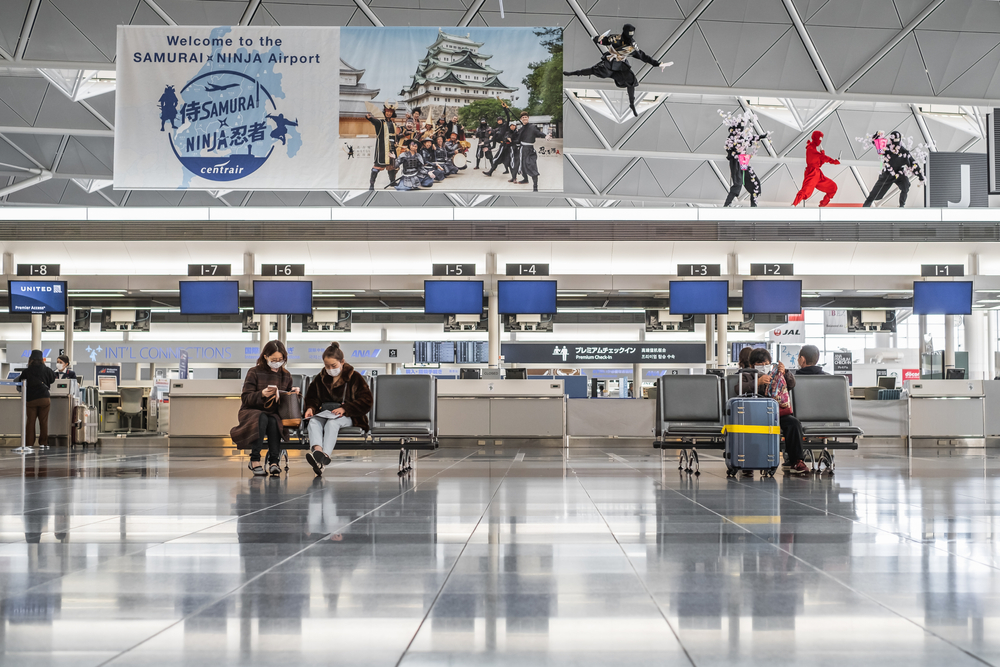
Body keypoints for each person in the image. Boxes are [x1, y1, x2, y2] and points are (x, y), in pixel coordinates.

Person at [563, 24, 672, 117]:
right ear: (624, 32)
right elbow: (604, 41)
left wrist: (658, 64)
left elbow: (644, 56)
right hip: (610, 63)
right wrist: (596, 39)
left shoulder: (632, 46)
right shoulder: (614, 38)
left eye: (631, 35)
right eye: (628, 34)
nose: (629, 38)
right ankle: (573, 73)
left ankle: (632, 103)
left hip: (621, 67)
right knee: (594, 70)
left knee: (631, 81)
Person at [230, 341, 299, 476]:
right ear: (265, 357)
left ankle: (274, 461)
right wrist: (261, 394)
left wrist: (291, 394)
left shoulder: (286, 375)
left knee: (274, 421)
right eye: (274, 360)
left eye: (281, 360)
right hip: (251, 411)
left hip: (273, 412)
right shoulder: (254, 372)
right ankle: (255, 460)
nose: (277, 363)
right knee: (261, 417)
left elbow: (285, 400)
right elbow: (246, 398)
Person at [303, 343, 373, 476]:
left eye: (333, 366)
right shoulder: (320, 378)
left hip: (350, 416)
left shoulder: (355, 377)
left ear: (342, 361)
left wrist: (345, 408)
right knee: (313, 421)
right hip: (326, 413)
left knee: (333, 423)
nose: (330, 369)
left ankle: (324, 456)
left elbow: (367, 401)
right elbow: (312, 397)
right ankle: (317, 452)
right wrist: (310, 408)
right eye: (327, 366)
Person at [741, 348, 809, 475]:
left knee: (793, 423)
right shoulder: (746, 375)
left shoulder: (776, 373)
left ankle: (796, 460)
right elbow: (739, 388)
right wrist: (757, 382)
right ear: (752, 365)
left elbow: (791, 384)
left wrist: (785, 372)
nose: (763, 367)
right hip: (754, 414)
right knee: (746, 426)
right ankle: (748, 461)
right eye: (759, 365)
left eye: (765, 364)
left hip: (776, 414)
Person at [863, 130, 925, 207]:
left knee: (906, 186)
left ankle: (901, 206)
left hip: (899, 174)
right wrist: (877, 135)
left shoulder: (904, 152)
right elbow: (875, 142)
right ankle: (864, 209)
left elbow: (913, 164)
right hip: (887, 174)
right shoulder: (886, 148)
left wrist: (921, 176)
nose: (895, 144)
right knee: (873, 195)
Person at [723, 117, 768, 207]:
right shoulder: (731, 139)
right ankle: (727, 205)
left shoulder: (742, 138)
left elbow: (750, 139)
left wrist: (760, 137)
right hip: (736, 162)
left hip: (743, 161)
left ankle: (754, 206)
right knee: (738, 184)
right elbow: (730, 149)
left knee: (755, 184)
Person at [17, 350, 56, 449]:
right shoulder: (46, 369)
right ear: (42, 359)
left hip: (31, 400)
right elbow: (52, 379)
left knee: (31, 422)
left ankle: (29, 444)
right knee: (43, 421)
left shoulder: (27, 371)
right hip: (44, 399)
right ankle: (43, 443)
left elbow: (21, 382)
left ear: (30, 359)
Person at [792, 131, 839, 207]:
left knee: (833, 187)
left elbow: (820, 162)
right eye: (819, 138)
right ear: (815, 138)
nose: (820, 140)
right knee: (806, 190)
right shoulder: (810, 149)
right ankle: (794, 204)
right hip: (812, 173)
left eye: (821, 139)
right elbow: (821, 158)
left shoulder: (813, 149)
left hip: (818, 174)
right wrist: (833, 161)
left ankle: (822, 205)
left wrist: (822, 151)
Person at [365, 102, 399, 191]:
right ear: (384, 112)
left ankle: (392, 182)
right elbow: (375, 122)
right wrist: (370, 118)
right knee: (378, 166)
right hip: (382, 148)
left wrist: (396, 142)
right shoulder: (380, 122)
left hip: (392, 147)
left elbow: (395, 135)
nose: (389, 113)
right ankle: (371, 185)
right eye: (387, 111)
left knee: (392, 166)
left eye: (391, 112)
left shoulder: (393, 123)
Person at [515, 111, 546, 191]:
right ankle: (525, 179)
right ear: (521, 119)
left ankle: (535, 187)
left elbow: (538, 133)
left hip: (530, 150)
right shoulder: (521, 129)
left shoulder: (532, 127)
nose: (524, 118)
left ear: (528, 118)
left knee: (532, 167)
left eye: (526, 117)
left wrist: (545, 136)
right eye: (523, 117)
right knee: (522, 166)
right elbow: (517, 140)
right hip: (522, 149)